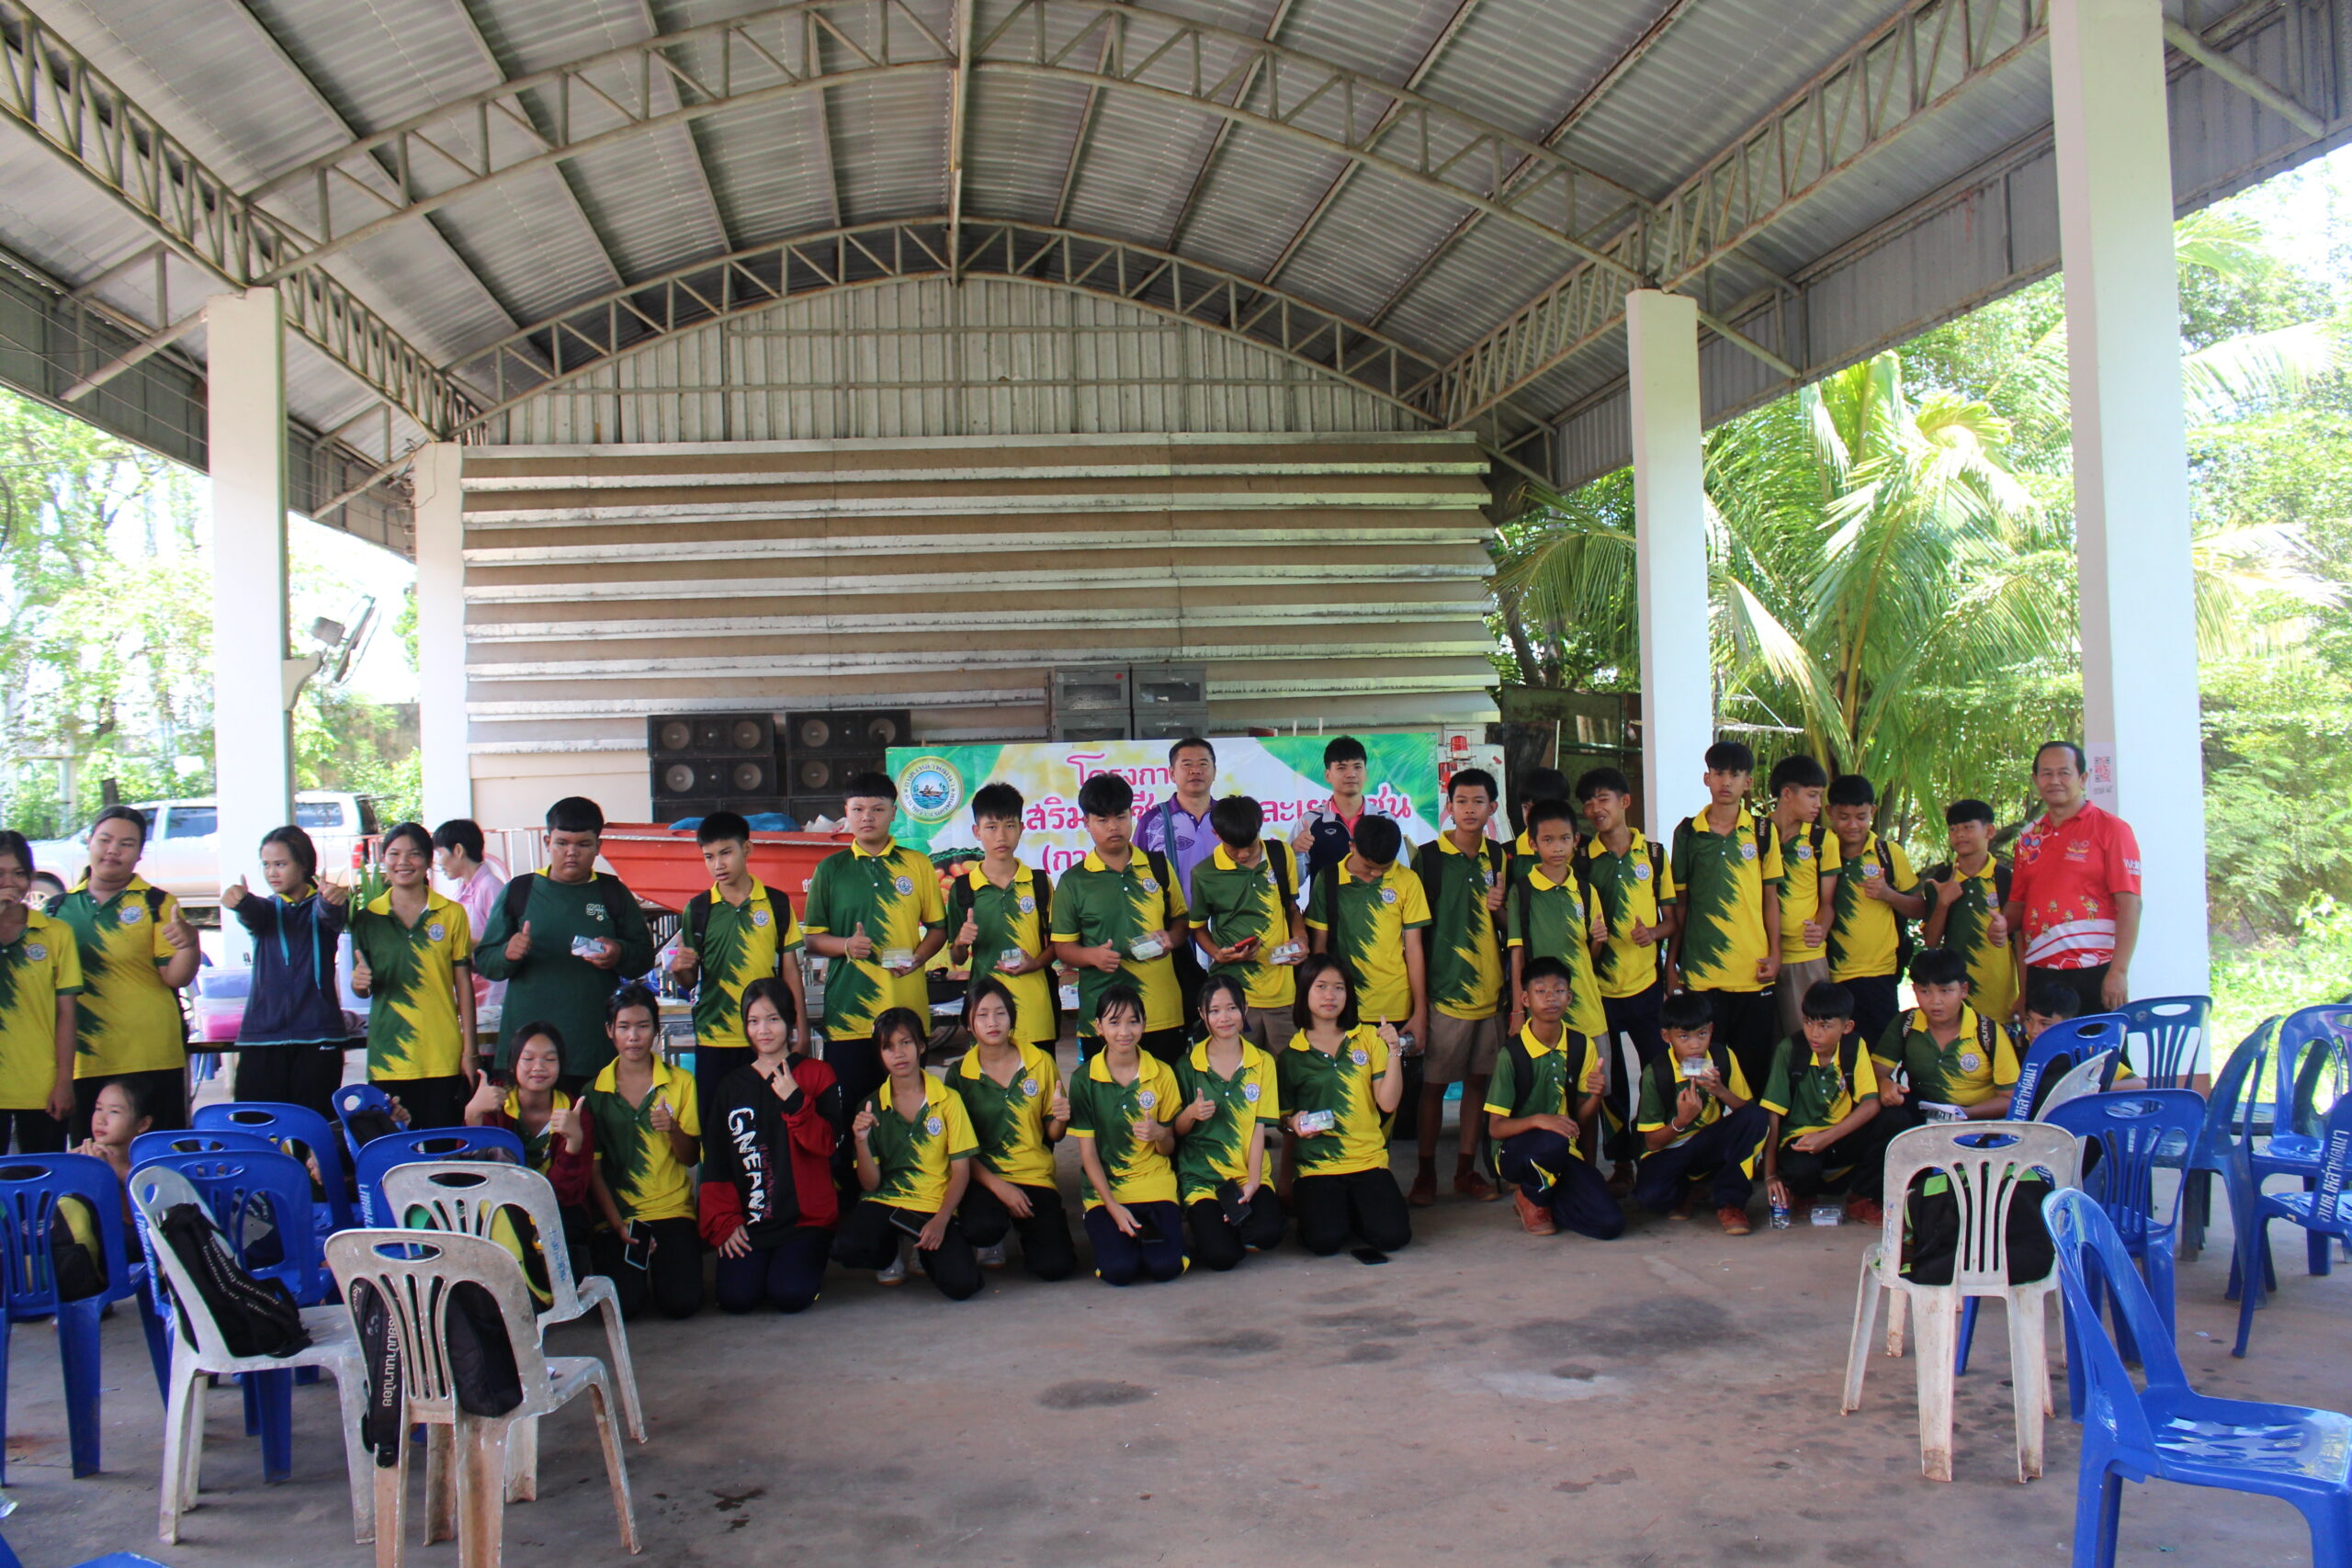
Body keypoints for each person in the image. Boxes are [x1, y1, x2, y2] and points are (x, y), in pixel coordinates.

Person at [474, 798, 656, 1091]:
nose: (572, 853)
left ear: (598, 846)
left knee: (588, 1121)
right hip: (527, 1056)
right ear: (548, 842)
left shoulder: (613, 893)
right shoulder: (520, 891)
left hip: (593, 1051)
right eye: (562, 843)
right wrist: (508, 954)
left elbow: (644, 958)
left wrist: (619, 953)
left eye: (583, 844)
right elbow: (486, 962)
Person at [802, 773, 949, 1115]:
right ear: (846, 812)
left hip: (906, 1015)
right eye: (858, 809)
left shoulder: (917, 864)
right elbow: (812, 939)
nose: (867, 817)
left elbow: (939, 929)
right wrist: (846, 946)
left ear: (893, 813)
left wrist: (917, 959)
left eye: (878, 809)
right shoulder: (830, 870)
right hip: (848, 1016)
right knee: (853, 1116)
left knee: (906, 1114)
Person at [49, 805, 198, 1136]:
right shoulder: (56, 910)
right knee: (92, 1156)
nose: (113, 850)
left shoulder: (156, 903)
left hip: (152, 1054)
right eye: (105, 840)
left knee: (157, 1153)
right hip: (85, 1058)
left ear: (140, 853)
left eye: (126, 844)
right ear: (89, 842)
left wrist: (190, 944)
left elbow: (176, 977)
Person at [698, 976, 842, 1314]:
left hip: (805, 1220)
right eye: (753, 1021)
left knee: (790, 1295)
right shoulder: (731, 1087)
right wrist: (725, 1221)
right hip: (752, 1220)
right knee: (736, 1298)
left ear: (790, 1021)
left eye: (773, 1019)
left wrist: (796, 1100)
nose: (763, 1030)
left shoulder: (817, 1074)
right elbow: (716, 1161)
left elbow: (829, 1144)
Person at [668, 810, 808, 1143]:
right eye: (709, 857)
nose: (718, 864)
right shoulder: (697, 910)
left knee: (771, 1135)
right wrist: (680, 968)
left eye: (726, 853)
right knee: (718, 1136)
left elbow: (790, 971)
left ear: (747, 849)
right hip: (715, 1039)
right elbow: (689, 981)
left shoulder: (776, 903)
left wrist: (801, 1030)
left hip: (767, 1039)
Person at [832, 1007, 984, 1299]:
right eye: (888, 1047)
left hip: (932, 1204)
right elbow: (870, 1184)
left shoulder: (948, 1100)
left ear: (922, 1046)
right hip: (886, 1201)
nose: (898, 1054)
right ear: (880, 1054)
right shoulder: (871, 1105)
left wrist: (941, 1220)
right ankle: (890, 1253)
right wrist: (861, 1141)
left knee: (962, 1284)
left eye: (905, 1042)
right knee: (846, 1247)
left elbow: (961, 1171)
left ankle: (923, 1252)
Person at [1574, 768, 1677, 1193]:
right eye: (1588, 802)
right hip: (1600, 992)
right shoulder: (1582, 858)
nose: (1595, 809)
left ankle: (1656, 1152)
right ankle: (1620, 1164)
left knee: (1660, 1073)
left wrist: (1652, 933)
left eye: (1603, 799)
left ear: (1625, 802)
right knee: (1611, 1083)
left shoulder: (1653, 854)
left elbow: (1672, 920)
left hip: (1646, 988)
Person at [1409, 768, 1508, 1205]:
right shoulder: (1429, 859)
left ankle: (1466, 1170)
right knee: (1432, 1087)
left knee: (1478, 1083)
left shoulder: (1500, 858)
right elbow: (1413, 935)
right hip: (1444, 995)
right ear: (1449, 807)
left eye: (1478, 802)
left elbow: (1511, 928)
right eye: (1461, 801)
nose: (1469, 810)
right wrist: (1419, 1003)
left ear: (1493, 808)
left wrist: (1499, 909)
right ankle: (1426, 1172)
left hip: (1491, 995)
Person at [1668, 740, 1783, 1094]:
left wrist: (1776, 954)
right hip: (1701, 975)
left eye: (1735, 774)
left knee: (1753, 1071)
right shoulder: (1687, 832)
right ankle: (1695, 1125)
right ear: (1707, 778)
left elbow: (1771, 899)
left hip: (1752, 973)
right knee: (1698, 1071)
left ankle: (1751, 1130)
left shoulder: (1763, 832)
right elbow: (1681, 904)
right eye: (1718, 773)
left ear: (1748, 782)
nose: (1726, 781)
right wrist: (1671, 964)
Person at [1051, 773, 1191, 1063]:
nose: (1113, 827)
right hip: (1104, 1019)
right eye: (1102, 820)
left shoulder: (1157, 866)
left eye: (1121, 817)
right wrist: (1091, 956)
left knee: (1166, 1090)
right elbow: (1062, 946)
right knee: (1106, 1091)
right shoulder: (1074, 881)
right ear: (1086, 823)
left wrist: (1170, 939)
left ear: (1131, 815)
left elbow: (1181, 920)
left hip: (1162, 1012)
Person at [349, 821, 479, 1133]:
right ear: (383, 860)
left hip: (442, 1054)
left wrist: (470, 1051)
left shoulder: (451, 914)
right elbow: (362, 988)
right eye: (394, 854)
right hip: (388, 1056)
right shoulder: (367, 918)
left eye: (414, 854)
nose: (403, 862)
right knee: (392, 1149)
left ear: (429, 860)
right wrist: (358, 984)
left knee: (442, 1148)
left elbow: (463, 985)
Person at [584, 985, 703, 1320]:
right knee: (622, 1307)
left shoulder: (681, 1082)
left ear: (656, 1029)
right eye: (624, 1027)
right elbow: (594, 1172)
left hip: (671, 1210)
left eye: (643, 1026)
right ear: (609, 1031)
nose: (633, 1036)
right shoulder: (593, 1092)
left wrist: (672, 1129)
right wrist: (618, 1224)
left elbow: (690, 1157)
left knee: (681, 1303)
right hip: (619, 1214)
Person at [1279, 955, 1411, 1256]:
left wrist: (1394, 1050)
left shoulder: (1368, 1037)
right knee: (1324, 1242)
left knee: (1393, 1237)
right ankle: (1341, 1213)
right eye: (1321, 986)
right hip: (1317, 1165)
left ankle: (1352, 1210)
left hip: (1367, 1159)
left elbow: (1388, 1102)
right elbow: (1283, 1122)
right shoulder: (1291, 1056)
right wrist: (1292, 1126)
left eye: (1339, 988)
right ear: (1304, 992)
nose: (1330, 995)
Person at [1485, 957, 1624, 1241]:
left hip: (1562, 1150)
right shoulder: (1512, 1054)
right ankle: (1531, 1197)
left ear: (1569, 997)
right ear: (1525, 999)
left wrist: (1595, 1095)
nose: (1551, 998)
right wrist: (1540, 1120)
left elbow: (1580, 1119)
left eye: (1559, 990)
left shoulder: (1581, 1045)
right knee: (1552, 1140)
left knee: (1610, 1223)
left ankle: (1547, 1200)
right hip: (1516, 1152)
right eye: (1541, 991)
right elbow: (1496, 1128)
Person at [2001, 741, 2143, 1018]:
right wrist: (2000, 925)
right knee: (2048, 1047)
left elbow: (2131, 905)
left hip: (2095, 970)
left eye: (2064, 773)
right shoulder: (2028, 838)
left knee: (2097, 1045)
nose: (2055, 781)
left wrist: (2118, 971)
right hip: (2041, 972)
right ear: (2035, 780)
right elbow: (2018, 908)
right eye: (2046, 773)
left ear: (2083, 778)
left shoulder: (2113, 830)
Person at [1305, 815, 1429, 1127]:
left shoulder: (1407, 881)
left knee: (1386, 1106)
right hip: (1342, 1008)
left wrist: (1420, 1012)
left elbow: (1414, 949)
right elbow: (1319, 951)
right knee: (1343, 1099)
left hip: (1393, 1008)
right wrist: (1318, 1009)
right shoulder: (1328, 879)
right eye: (1369, 866)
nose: (1375, 873)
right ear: (1352, 847)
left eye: (1383, 868)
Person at [952, 977, 1076, 1280]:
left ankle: (1024, 1229)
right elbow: (958, 1150)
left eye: (1000, 1013)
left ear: (1012, 1017)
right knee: (982, 1228)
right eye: (982, 1015)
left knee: (1055, 1268)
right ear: (969, 1024)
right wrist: (1001, 1188)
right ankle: (992, 1235)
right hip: (985, 1177)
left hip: (1034, 1174)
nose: (992, 1022)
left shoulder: (1040, 1062)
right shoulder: (959, 1075)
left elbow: (1053, 1135)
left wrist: (1061, 1118)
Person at [223, 825, 350, 1119]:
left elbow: (331, 914)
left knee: (315, 1129)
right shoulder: (266, 911)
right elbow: (252, 912)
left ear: (304, 864)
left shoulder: (324, 906)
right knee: (253, 1128)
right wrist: (240, 902)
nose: (271, 873)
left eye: (280, 864)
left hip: (318, 1036)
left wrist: (332, 900)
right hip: (261, 1037)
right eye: (266, 865)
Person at [1068, 985, 1188, 1284]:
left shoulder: (1162, 1073)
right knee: (1119, 1271)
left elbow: (1168, 1147)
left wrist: (1159, 1134)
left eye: (1133, 1021)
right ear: (1098, 1027)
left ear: (1144, 1024)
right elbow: (1088, 1155)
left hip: (1154, 1185)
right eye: (1114, 1022)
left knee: (1165, 1268)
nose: (1124, 1031)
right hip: (1106, 1191)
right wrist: (1111, 1206)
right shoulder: (1084, 1079)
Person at [1171, 974, 1285, 1269]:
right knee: (1222, 1257)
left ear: (1244, 1009)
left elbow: (1259, 1129)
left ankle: (1228, 1223)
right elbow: (1177, 1131)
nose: (1224, 1018)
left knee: (1269, 1234)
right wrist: (1191, 1113)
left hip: (1246, 1173)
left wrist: (1254, 1182)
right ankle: (1209, 1225)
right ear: (1202, 1015)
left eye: (1232, 1008)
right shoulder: (1187, 1065)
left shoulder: (1263, 1062)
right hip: (1202, 1179)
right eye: (1214, 1010)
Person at [1633, 989, 1767, 1235]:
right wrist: (1681, 1121)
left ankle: (1730, 1202)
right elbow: (1651, 1142)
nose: (1695, 1045)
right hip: (1670, 1149)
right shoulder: (1657, 1073)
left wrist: (1720, 1091)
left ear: (1711, 1030)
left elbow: (1748, 1112)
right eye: (1684, 1037)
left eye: (1702, 1034)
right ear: (1666, 1036)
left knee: (1757, 1117)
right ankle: (1687, 1190)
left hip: (1708, 1142)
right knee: (1650, 1198)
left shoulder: (1722, 1057)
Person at [1759, 981, 1886, 1226]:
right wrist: (1770, 1175)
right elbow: (1773, 1114)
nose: (1814, 1033)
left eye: (1825, 1026)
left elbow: (1871, 1104)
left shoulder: (1854, 1046)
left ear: (1847, 1027)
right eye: (1808, 1022)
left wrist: (1826, 1138)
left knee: (1894, 1119)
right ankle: (1804, 1195)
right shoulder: (1789, 1049)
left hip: (1840, 1135)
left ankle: (1861, 1197)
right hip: (1802, 1140)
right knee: (1799, 1168)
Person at [945, 784, 1059, 1056]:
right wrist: (960, 942)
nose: (1001, 836)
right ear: (977, 831)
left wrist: (1035, 963)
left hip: (1036, 1012)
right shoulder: (963, 889)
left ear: (1021, 828)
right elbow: (957, 957)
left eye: (1009, 826)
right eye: (991, 827)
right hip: (986, 1016)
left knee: (1040, 1080)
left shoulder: (1039, 883)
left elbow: (1058, 944)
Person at [1185, 795, 1306, 1051]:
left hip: (1283, 995)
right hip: (1233, 998)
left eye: (1249, 845)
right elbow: (1197, 927)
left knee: (1288, 1068)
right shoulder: (1204, 873)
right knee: (1240, 1068)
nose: (1243, 854)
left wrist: (1301, 939)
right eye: (1234, 847)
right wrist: (1218, 953)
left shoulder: (1280, 854)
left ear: (1260, 827)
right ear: (1216, 834)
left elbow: (1292, 908)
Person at [1820, 774, 1925, 1052]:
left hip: (1880, 974)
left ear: (1873, 812)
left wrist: (1888, 894)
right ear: (1829, 812)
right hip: (1831, 975)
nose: (1853, 825)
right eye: (1844, 817)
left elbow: (1920, 908)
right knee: (1839, 1053)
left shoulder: (1888, 854)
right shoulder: (1819, 852)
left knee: (1881, 1053)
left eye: (1861, 817)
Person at [1871, 947, 2020, 1133]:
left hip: (1977, 1123)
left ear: (1963, 990)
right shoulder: (1905, 1024)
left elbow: (2010, 1099)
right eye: (1925, 991)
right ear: (1914, 990)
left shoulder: (1988, 1032)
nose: (1936, 1001)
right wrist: (1884, 1083)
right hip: (1922, 1119)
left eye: (1945, 991)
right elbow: (1876, 1072)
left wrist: (1964, 1114)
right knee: (1890, 1117)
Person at [1503, 801, 1609, 1057]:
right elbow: (1517, 955)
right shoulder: (1523, 891)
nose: (1558, 847)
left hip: (1588, 1009)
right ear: (1533, 843)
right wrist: (1517, 1010)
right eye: (1548, 840)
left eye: (1564, 839)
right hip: (1542, 1012)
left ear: (1576, 840)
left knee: (1595, 1078)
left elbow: (1591, 956)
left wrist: (1598, 941)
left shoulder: (1586, 891)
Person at [0, 832, 80, 1153]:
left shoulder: (55, 933)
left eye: (19, 873)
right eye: (0, 873)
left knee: (43, 1176)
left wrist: (64, 1082)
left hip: (41, 1089)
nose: (9, 882)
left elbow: (66, 1015)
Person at [464, 1021, 594, 1212]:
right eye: (528, 1058)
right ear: (512, 1065)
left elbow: (567, 1196)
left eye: (550, 1059)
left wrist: (573, 1144)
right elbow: (472, 1179)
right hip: (499, 1211)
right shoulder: (492, 1105)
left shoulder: (577, 1116)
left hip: (555, 1213)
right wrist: (472, 1114)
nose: (538, 1066)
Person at [1919, 799, 2020, 1027]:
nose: (1960, 835)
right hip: (1956, 1004)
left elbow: (2021, 941)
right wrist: (1943, 903)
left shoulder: (2007, 879)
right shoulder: (1941, 880)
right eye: (1953, 829)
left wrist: (2024, 995)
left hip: (2001, 1001)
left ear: (1989, 831)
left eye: (1967, 827)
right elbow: (1931, 942)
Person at [1765, 755, 1839, 1039]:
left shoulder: (1822, 840)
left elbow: (1828, 903)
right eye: (1812, 795)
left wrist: (1821, 929)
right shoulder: (1755, 835)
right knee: (1764, 1045)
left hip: (1805, 958)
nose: (1818, 804)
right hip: (1758, 955)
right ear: (1787, 794)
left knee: (1809, 1040)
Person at [433, 818, 507, 1020]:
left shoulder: (490, 887)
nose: (438, 862)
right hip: (473, 992)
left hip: (492, 997)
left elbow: (504, 942)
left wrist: (461, 944)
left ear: (458, 850)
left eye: (440, 853)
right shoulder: (463, 892)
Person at [1294, 736, 1392, 884]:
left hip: (1376, 899)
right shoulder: (1309, 821)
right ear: (1328, 775)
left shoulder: (1385, 820)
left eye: (1357, 767)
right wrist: (1297, 854)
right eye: (1341, 768)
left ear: (1366, 772)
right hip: (1326, 899)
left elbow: (1401, 875)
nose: (1351, 774)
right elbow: (1294, 882)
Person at [1134, 736, 1221, 902]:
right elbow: (1137, 875)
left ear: (1215, 771)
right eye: (1187, 764)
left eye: (1203, 764)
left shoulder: (1229, 817)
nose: (1195, 771)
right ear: (1172, 773)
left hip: (1225, 917)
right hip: (1172, 917)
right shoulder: (1151, 821)